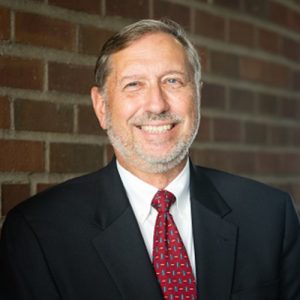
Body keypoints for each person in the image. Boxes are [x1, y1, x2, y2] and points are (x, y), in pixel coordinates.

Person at [0, 18, 299, 300]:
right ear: (102, 107)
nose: (156, 104)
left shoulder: (271, 215)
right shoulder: (38, 231)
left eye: (172, 81)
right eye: (134, 84)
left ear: (197, 95)